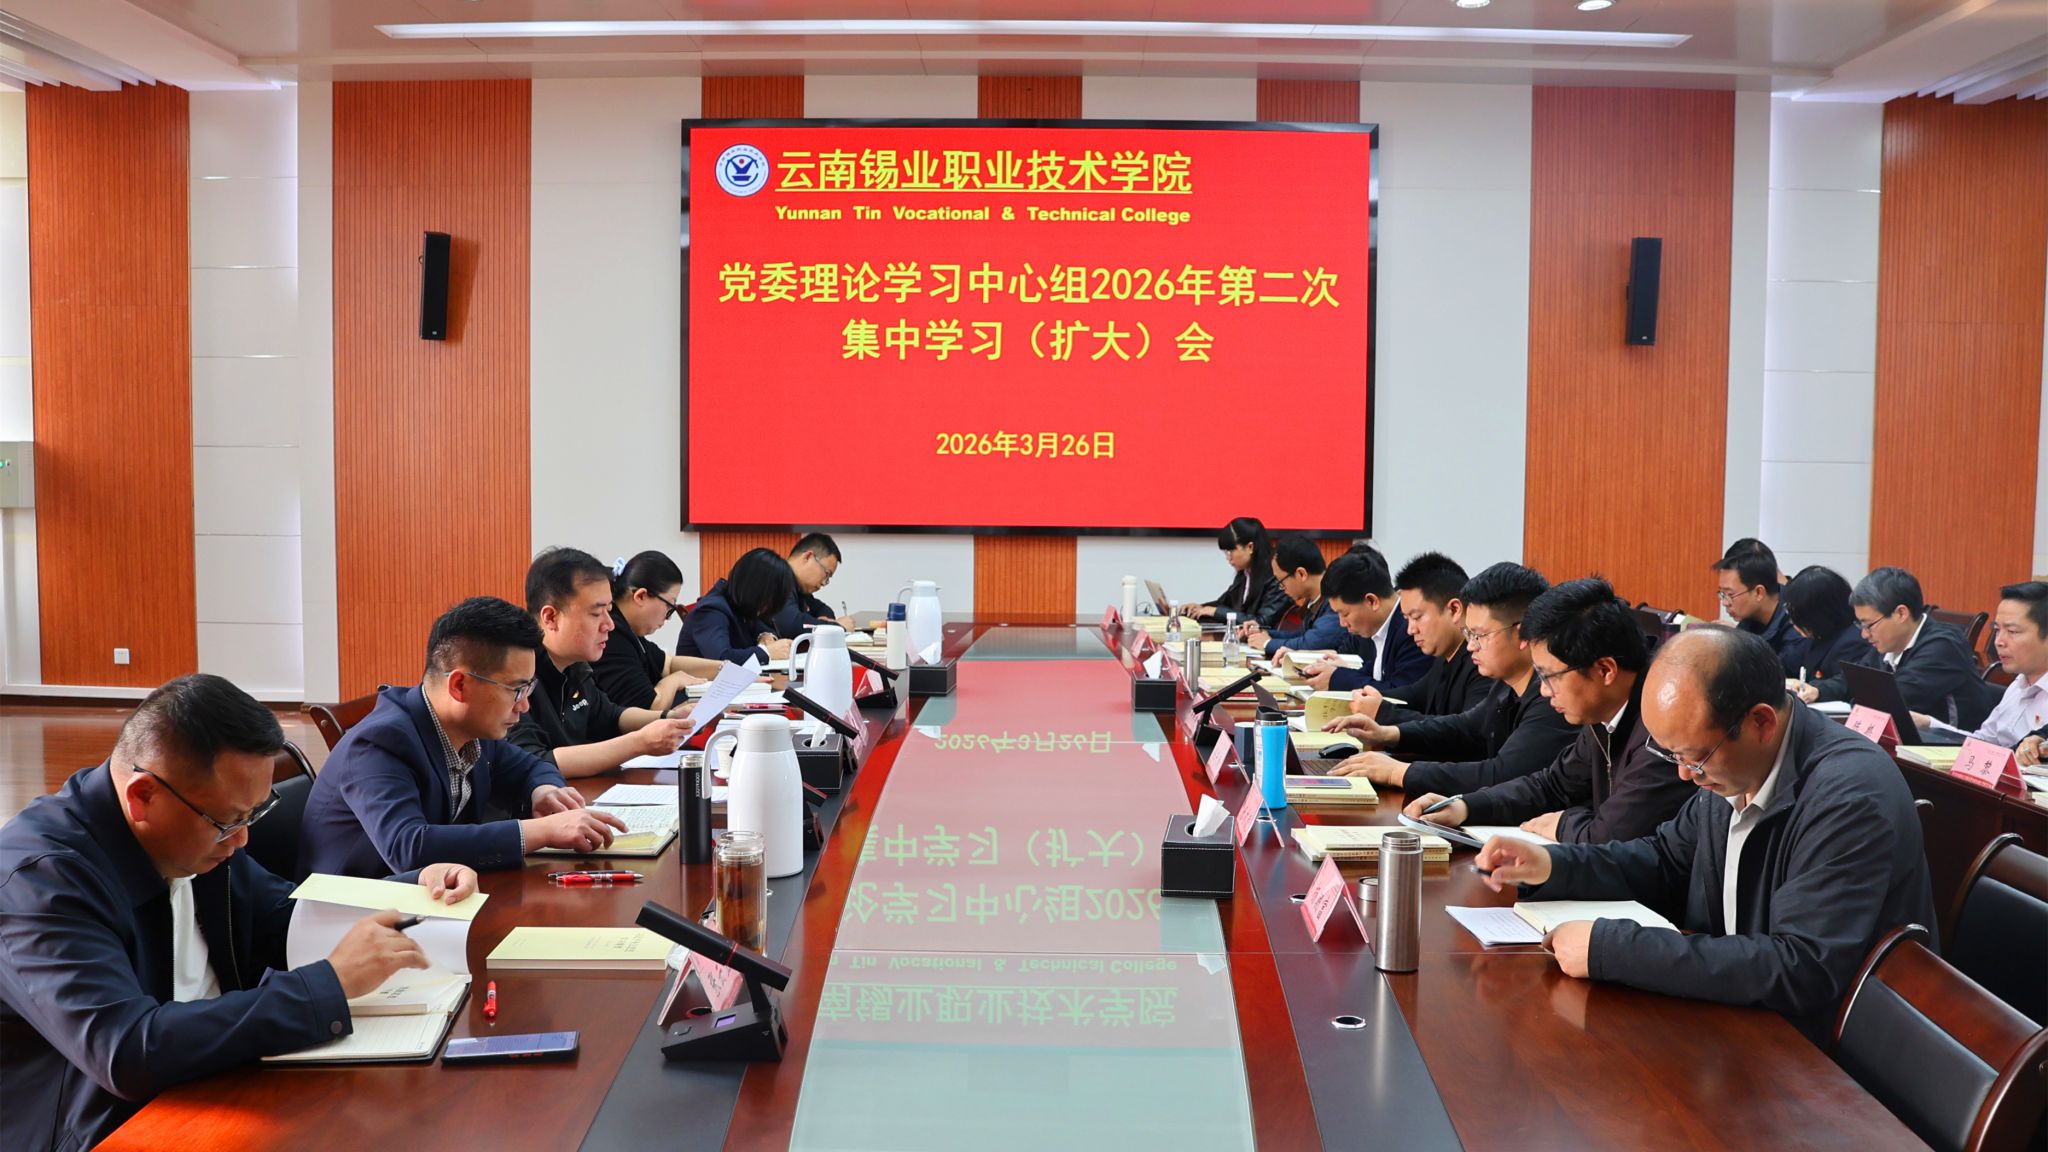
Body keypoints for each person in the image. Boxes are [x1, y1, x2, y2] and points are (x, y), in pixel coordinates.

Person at [0, 674, 484, 1150]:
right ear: (143, 797)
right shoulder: (41, 882)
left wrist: (413, 888)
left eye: (254, 814)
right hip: (118, 1126)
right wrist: (329, 985)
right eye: (228, 821)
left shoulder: (197, 836)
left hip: (220, 1081)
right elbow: (126, 1050)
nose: (241, 839)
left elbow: (281, 915)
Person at [1472, 627, 1936, 1045]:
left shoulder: (1849, 793)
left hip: (1821, 1053)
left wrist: (1614, 950)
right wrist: (1552, 865)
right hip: (1739, 1014)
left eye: (1693, 757)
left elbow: (1802, 967)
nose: (1683, 774)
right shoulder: (1734, 764)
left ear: (1761, 722)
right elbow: (1666, 859)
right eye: (1672, 755)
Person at [302, 596, 633, 877]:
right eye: (516, 689)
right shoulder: (380, 743)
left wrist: (543, 790)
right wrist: (543, 831)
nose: (525, 705)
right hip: (352, 913)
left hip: (434, 899)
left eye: (529, 687)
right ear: (459, 685)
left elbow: (531, 766)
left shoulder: (472, 728)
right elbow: (409, 848)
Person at [1404, 577, 1693, 844]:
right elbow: (1553, 785)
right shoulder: (1602, 709)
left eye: (1549, 676)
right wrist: (1465, 806)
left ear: (1605, 670)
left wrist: (1562, 823)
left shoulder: (1663, 728)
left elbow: (1611, 835)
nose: (1543, 690)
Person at [1321, 562, 1574, 792]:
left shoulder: (1552, 697)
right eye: (1469, 635)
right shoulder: (1504, 685)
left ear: (1521, 634)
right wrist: (1389, 733)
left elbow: (1502, 774)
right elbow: (1466, 727)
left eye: (1479, 635)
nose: (1471, 646)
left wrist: (1399, 772)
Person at [512, 548, 693, 778]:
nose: (610, 625)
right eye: (596, 614)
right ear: (551, 618)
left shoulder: (575, 666)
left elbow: (611, 716)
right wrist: (639, 743)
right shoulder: (514, 676)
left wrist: (670, 718)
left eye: (609, 611)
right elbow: (534, 760)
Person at [1847, 566, 1998, 730]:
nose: (1864, 634)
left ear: (1901, 614)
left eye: (1869, 625)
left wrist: (1857, 701)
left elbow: (1890, 701)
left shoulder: (1944, 646)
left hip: (1952, 743)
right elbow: (1852, 683)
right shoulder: (1889, 642)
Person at [1352, 552, 1488, 723]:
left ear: (1454, 609)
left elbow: (1463, 729)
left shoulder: (1482, 662)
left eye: (1417, 617)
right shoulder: (1444, 657)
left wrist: (1384, 713)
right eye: (1407, 619)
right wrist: (1366, 698)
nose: (1411, 630)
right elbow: (1414, 694)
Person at [591, 551, 722, 712]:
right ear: (641, 596)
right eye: (670, 607)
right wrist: (673, 681)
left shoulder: (629, 630)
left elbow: (668, 664)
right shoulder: (612, 635)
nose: (668, 618)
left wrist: (724, 668)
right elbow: (647, 708)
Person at [1304, 548, 1434, 694]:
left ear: (1372, 601)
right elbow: (1377, 676)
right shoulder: (1379, 625)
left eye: (1345, 614)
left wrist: (1336, 678)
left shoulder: (1412, 631)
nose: (1342, 623)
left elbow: (1400, 694)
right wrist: (1341, 671)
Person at [678, 547, 798, 666]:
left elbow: (763, 627)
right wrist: (767, 652)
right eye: (768, 600)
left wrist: (765, 636)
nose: (767, 607)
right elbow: (721, 659)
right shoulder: (712, 610)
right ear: (754, 588)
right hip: (701, 678)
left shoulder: (741, 603)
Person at [1781, 566, 1876, 704]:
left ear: (1818, 613)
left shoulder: (1854, 641)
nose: (1792, 621)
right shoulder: (1818, 635)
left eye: (1798, 614)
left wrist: (1817, 690)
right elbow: (1787, 662)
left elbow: (1847, 683)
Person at [1712, 543, 1807, 678]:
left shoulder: (1797, 624)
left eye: (1730, 595)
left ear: (1758, 592)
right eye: (1722, 594)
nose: (1724, 602)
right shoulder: (1752, 615)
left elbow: (1772, 676)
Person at [1243, 536, 1343, 659]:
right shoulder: (1315, 598)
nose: (1281, 588)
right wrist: (1263, 633)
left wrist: (1267, 643)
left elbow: (1312, 643)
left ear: (1301, 574)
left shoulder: (1336, 598)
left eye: (1281, 581)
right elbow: (1303, 636)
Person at [1973, 581, 2048, 747]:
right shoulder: (2018, 684)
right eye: (1997, 630)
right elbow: (1981, 742)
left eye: (2012, 631)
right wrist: (1930, 724)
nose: (1998, 642)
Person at [1185, 516, 1290, 628]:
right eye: (1226, 552)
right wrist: (1200, 608)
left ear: (1250, 547)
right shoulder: (1244, 574)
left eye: (1231, 551)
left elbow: (1261, 622)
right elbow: (1223, 603)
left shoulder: (1277, 578)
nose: (1228, 558)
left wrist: (1215, 611)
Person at [772, 533, 857, 639]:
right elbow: (791, 625)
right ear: (808, 557)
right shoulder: (777, 578)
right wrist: (837, 627)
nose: (824, 583)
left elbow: (823, 609)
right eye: (826, 574)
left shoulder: (799, 587)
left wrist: (823, 621)